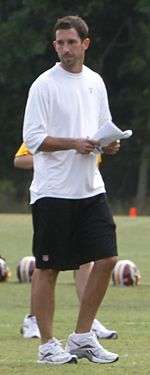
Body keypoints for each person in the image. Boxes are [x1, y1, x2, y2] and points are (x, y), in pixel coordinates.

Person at [23, 15, 120, 365]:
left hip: (90, 189)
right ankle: (47, 345)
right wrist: (73, 143)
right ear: (55, 46)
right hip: (53, 191)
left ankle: (82, 337)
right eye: (59, 43)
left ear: (85, 44)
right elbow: (33, 139)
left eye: (71, 42)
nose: (65, 48)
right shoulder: (43, 85)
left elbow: (101, 128)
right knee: (48, 269)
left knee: (107, 258)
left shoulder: (95, 82)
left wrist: (107, 144)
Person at [14, 144, 118, 340]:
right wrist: (52, 161)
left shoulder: (90, 126)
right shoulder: (55, 124)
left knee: (88, 260)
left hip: (85, 197)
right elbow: (19, 159)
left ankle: (88, 323)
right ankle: (33, 319)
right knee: (47, 263)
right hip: (55, 195)